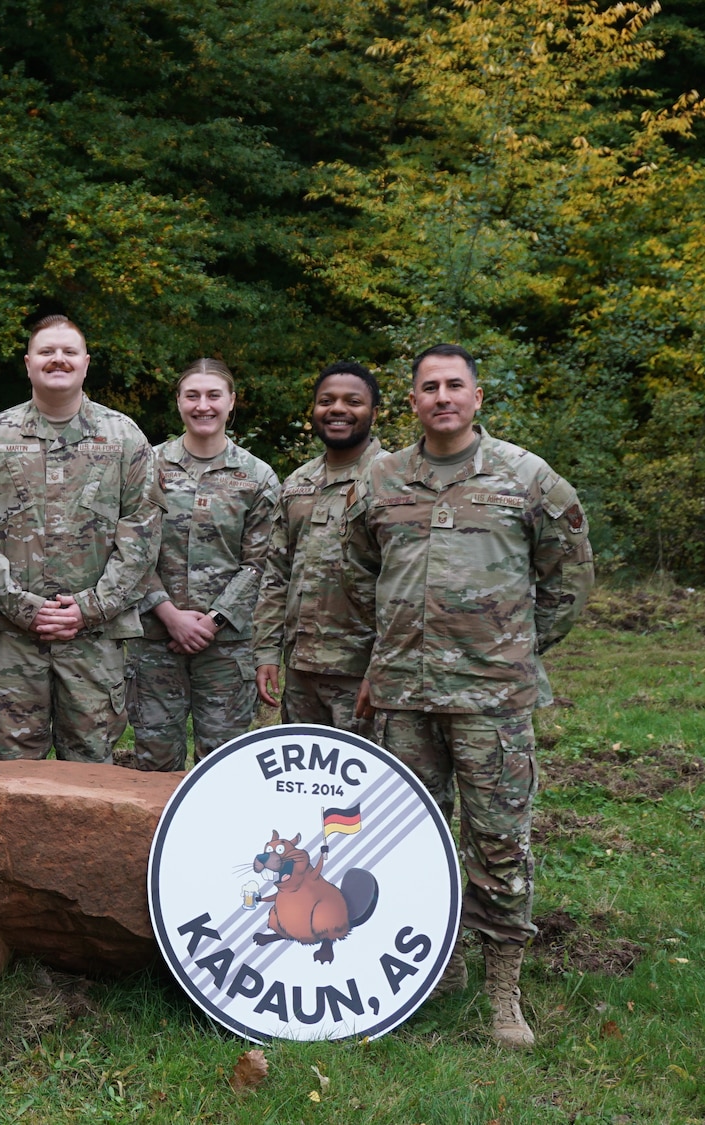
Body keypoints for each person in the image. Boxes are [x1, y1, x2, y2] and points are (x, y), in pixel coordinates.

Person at [340, 343, 594, 1050]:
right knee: (408, 838)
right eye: (429, 387)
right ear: (413, 400)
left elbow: (569, 575)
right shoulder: (383, 478)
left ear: (477, 398)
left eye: (456, 385)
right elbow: (357, 568)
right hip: (405, 697)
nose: (442, 396)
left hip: (492, 699)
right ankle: (431, 964)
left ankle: (503, 990)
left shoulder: (527, 478)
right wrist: (390, 641)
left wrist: (514, 645)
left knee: (498, 842)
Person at [0, 315, 161, 762]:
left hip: (94, 638)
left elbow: (142, 536)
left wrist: (88, 608)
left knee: (91, 764)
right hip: (12, 637)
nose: (58, 359)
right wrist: (21, 606)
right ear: (28, 363)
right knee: (14, 764)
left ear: (86, 363)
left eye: (69, 351)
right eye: (47, 351)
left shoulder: (125, 439)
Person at [124, 359, 280, 771]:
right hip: (155, 641)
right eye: (192, 395)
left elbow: (259, 563)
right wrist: (169, 614)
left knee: (224, 768)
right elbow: (133, 551)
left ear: (231, 402)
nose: (203, 405)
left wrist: (212, 621)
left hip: (227, 650)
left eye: (214, 395)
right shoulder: (147, 468)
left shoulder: (258, 477)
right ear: (178, 401)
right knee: (155, 765)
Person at [253, 360, 385, 735]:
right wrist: (266, 652)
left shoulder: (394, 481)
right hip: (300, 670)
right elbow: (276, 573)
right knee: (303, 785)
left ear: (373, 412)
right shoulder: (298, 482)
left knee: (364, 786)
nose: (338, 409)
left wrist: (382, 669)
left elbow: (408, 587)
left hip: (362, 672)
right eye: (326, 400)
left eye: (353, 401)